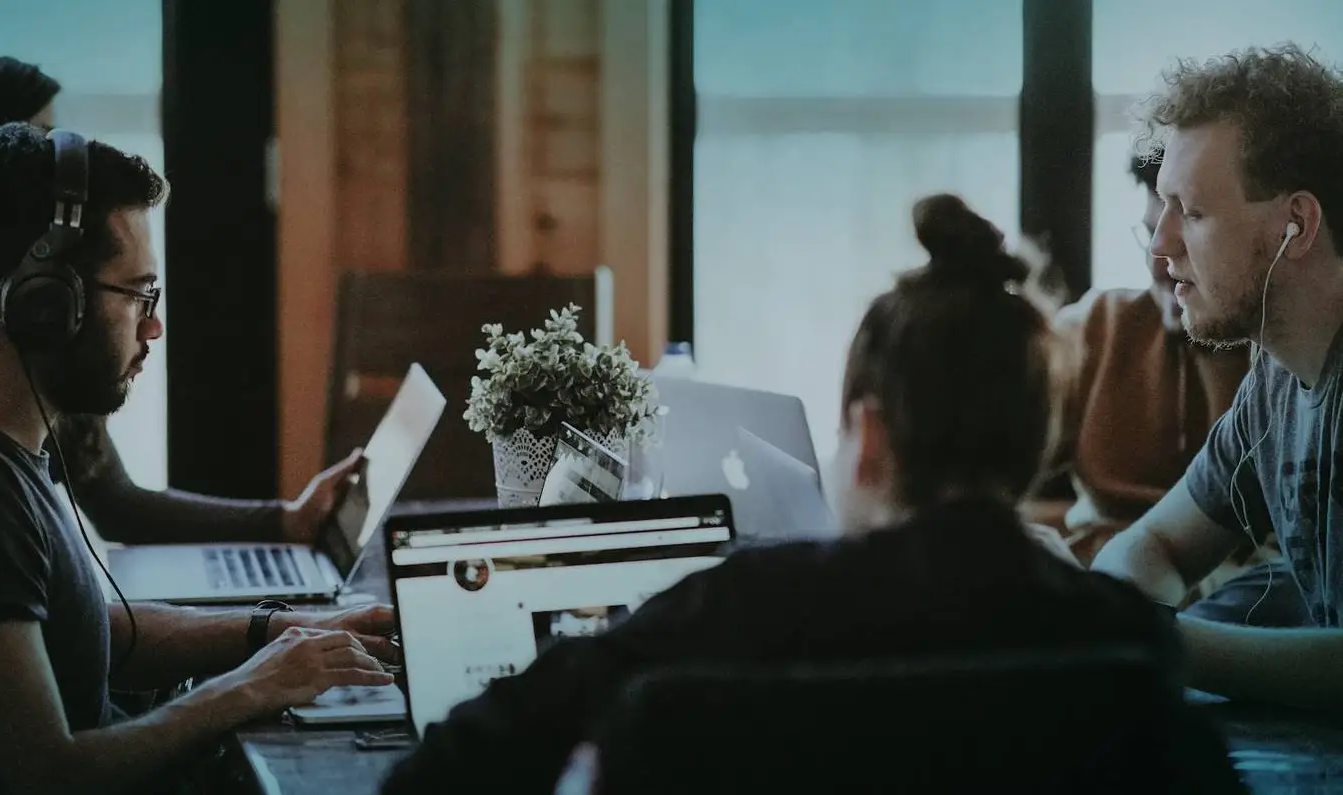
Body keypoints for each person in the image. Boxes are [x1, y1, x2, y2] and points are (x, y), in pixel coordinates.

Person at [380, 195, 1182, 794]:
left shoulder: (737, 609)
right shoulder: (1125, 642)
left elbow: (450, 767)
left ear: (866, 439)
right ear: (1035, 442)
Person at [0, 123, 398, 793]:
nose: (154, 327)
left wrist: (281, 630)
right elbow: (48, 774)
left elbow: (97, 630)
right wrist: (248, 689)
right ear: (44, 303)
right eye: (138, 294)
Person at [0, 54, 358, 549]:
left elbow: (117, 503)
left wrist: (286, 521)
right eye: (38, 139)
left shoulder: (57, 311)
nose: (65, 168)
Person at [1091, 43, 1343, 712]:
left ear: (1298, 224)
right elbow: (1152, 543)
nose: (1159, 246)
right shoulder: (1276, 380)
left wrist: (1153, 638)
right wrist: (1121, 618)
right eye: (1163, 208)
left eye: (1193, 213)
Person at [1029, 152, 1307, 627]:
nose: (1160, 265)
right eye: (1150, 234)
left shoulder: (1283, 365)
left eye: (1191, 231)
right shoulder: (1096, 327)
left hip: (1238, 601)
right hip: (1114, 578)